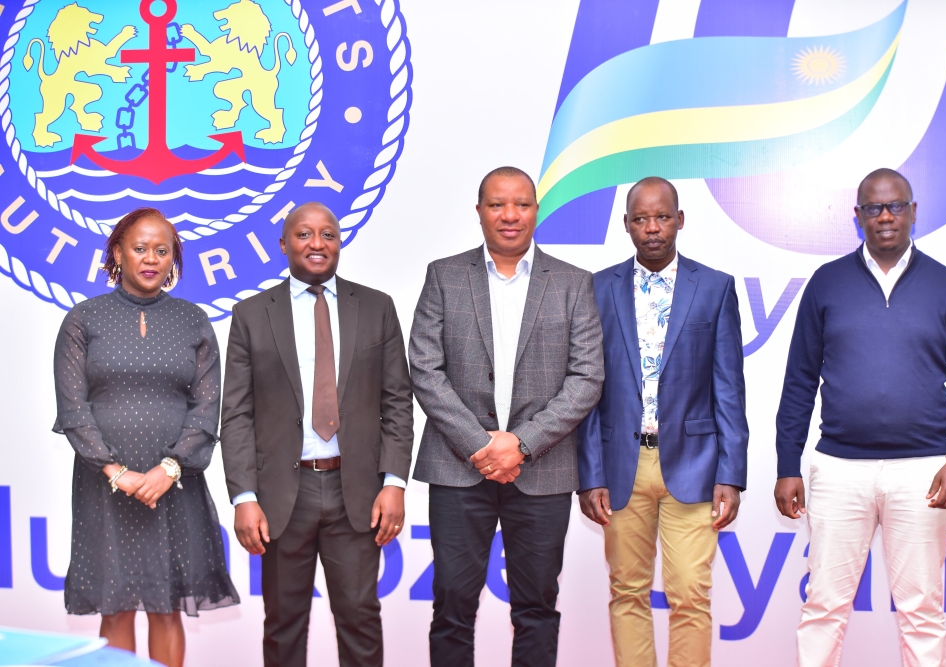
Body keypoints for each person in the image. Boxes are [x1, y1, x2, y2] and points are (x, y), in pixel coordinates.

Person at [774, 168, 946, 667]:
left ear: (913, 212)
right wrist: (789, 465)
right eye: (874, 208)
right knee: (824, 605)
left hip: (925, 472)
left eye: (896, 206)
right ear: (858, 217)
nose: (886, 216)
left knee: (921, 610)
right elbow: (799, 382)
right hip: (839, 470)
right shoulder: (827, 283)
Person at [409, 166, 604, 667]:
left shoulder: (572, 283)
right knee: (452, 605)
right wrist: (480, 443)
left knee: (537, 607)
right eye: (497, 204)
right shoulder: (444, 275)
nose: (510, 215)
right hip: (458, 468)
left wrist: (520, 444)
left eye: (521, 204)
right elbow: (425, 369)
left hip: (542, 469)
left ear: (536, 211)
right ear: (479, 212)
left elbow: (587, 379)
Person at [220, 202, 413, 667]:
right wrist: (243, 494)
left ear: (339, 243)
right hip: (282, 496)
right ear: (283, 244)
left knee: (361, 619)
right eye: (304, 235)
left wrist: (394, 483)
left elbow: (397, 403)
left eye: (328, 234)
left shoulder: (376, 307)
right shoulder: (250, 314)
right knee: (283, 625)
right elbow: (236, 413)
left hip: (359, 492)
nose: (317, 244)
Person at [52, 207, 238, 667]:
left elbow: (206, 408)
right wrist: (117, 472)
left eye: (162, 250)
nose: (151, 258)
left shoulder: (193, 320)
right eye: (140, 248)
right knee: (114, 605)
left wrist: (168, 469)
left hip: (174, 483)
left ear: (174, 257)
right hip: (104, 483)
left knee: (166, 607)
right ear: (118, 252)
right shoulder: (83, 319)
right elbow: (73, 410)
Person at [577, 177, 749, 667]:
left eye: (662, 217)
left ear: (679, 220)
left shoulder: (714, 287)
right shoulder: (596, 288)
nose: (652, 228)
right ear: (626, 224)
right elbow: (587, 391)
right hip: (619, 467)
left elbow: (729, 389)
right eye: (641, 219)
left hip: (695, 466)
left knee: (691, 595)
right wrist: (590, 476)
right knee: (626, 592)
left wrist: (730, 474)